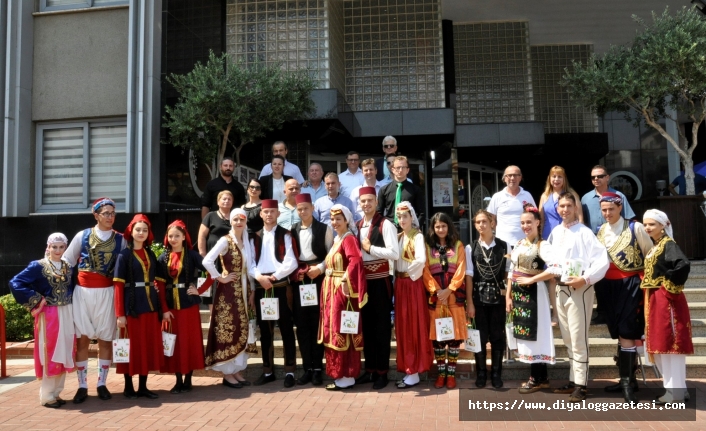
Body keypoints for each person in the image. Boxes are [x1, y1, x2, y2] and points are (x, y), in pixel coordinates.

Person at [63, 197, 126, 403]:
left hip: (107, 292)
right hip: (83, 292)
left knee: (105, 339)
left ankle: (101, 383)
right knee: (82, 339)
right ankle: (82, 385)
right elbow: (67, 262)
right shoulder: (82, 235)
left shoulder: (121, 239)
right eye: (106, 213)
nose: (110, 217)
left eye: (113, 213)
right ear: (96, 215)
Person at [548, 193, 609, 402]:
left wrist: (585, 279)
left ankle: (581, 384)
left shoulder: (585, 232)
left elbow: (602, 260)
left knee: (578, 337)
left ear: (575, 208)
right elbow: (552, 259)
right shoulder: (555, 232)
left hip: (579, 289)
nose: (564, 209)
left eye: (568, 206)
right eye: (561, 206)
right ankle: (574, 379)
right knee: (567, 337)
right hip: (561, 288)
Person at [594, 193, 652, 402]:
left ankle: (627, 382)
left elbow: (649, 254)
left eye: (611, 209)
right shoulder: (600, 230)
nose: (607, 213)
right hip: (606, 286)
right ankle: (627, 380)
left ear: (620, 208)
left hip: (630, 284)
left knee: (627, 329)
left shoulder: (635, 228)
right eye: (604, 210)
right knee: (618, 331)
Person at [9, 233, 76, 408]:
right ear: (48, 246)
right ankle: (46, 396)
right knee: (51, 352)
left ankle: (57, 392)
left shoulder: (68, 266)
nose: (58, 251)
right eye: (55, 247)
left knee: (65, 350)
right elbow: (15, 283)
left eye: (61, 247)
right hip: (50, 314)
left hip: (67, 312)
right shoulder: (38, 266)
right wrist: (38, 300)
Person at [113, 214, 171, 399]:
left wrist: (163, 308)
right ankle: (128, 386)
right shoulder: (124, 255)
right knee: (131, 346)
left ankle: (143, 387)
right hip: (132, 306)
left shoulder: (151, 254)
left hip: (150, 305)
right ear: (131, 231)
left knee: (146, 345)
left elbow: (160, 283)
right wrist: (120, 314)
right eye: (138, 229)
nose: (141, 233)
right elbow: (118, 285)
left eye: (145, 230)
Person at [641, 209, 694, 404]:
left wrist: (668, 289)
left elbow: (683, 265)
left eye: (652, 224)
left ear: (663, 225)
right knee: (661, 345)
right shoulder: (657, 246)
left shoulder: (668, 245)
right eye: (645, 224)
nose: (648, 227)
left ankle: (676, 392)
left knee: (670, 345)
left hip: (666, 301)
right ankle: (676, 389)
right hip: (655, 300)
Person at [506, 204, 559, 395]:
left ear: (538, 222)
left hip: (535, 293)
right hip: (519, 294)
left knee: (536, 335)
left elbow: (554, 268)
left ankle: (537, 377)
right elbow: (512, 271)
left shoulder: (542, 245)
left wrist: (532, 278)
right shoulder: (520, 244)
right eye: (522, 223)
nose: (525, 226)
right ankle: (540, 377)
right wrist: (508, 296)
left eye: (529, 222)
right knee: (525, 335)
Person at [156, 220, 214, 394]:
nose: (173, 239)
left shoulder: (192, 255)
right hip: (171, 308)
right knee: (173, 343)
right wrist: (164, 309)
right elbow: (159, 286)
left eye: (177, 236)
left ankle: (188, 378)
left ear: (184, 237)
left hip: (188, 306)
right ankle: (178, 380)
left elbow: (212, 272)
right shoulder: (162, 257)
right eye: (170, 236)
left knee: (189, 342)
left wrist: (200, 290)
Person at [203, 209, 258, 388]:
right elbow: (207, 261)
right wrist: (220, 277)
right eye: (235, 219)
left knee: (243, 327)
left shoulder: (247, 241)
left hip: (244, 289)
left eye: (242, 219)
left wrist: (252, 290)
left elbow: (250, 267)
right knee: (230, 327)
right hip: (228, 292)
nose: (239, 222)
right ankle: (227, 374)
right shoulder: (224, 240)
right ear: (231, 222)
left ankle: (236, 370)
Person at [247, 199, 299, 387]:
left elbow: (291, 261)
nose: (269, 215)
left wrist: (274, 277)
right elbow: (250, 263)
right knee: (266, 332)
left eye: (272, 211)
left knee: (286, 329)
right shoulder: (254, 237)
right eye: (266, 211)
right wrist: (260, 277)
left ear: (278, 214)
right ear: (261, 214)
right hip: (262, 287)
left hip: (280, 286)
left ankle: (290, 371)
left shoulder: (286, 234)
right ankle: (267, 370)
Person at [354, 187, 400, 389]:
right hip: (364, 281)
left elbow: (394, 253)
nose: (366, 204)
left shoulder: (386, 224)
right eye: (363, 201)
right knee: (367, 327)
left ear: (376, 202)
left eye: (370, 200)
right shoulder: (357, 225)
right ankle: (370, 370)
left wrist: (370, 249)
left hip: (381, 280)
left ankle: (382, 372)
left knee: (381, 327)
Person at [319, 204, 367, 390]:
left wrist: (346, 280)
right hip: (331, 290)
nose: (335, 222)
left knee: (342, 329)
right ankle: (338, 373)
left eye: (339, 219)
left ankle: (347, 374)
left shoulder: (349, 240)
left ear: (346, 220)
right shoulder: (337, 240)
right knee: (333, 329)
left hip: (342, 291)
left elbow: (355, 260)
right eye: (332, 219)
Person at [289, 193, 334, 386]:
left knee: (317, 323)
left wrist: (320, 269)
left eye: (306, 208)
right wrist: (297, 272)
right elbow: (291, 256)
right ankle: (307, 367)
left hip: (318, 278)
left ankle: (318, 368)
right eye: (299, 209)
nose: (303, 212)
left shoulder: (325, 229)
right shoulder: (293, 230)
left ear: (313, 208)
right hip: (300, 279)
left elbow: (331, 254)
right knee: (302, 325)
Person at [389, 203, 433, 389]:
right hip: (400, 284)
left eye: (405, 216)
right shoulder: (399, 236)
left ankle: (414, 370)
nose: (402, 220)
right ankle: (409, 368)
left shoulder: (417, 236)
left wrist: (410, 276)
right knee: (403, 326)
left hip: (411, 285)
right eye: (399, 217)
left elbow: (421, 260)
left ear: (412, 217)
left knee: (412, 325)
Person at [423, 212, 467, 390]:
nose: (440, 229)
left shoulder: (458, 246)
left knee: (454, 337)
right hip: (436, 298)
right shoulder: (427, 248)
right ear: (433, 229)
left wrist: (450, 289)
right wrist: (436, 290)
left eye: (443, 226)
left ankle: (451, 374)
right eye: (437, 226)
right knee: (439, 338)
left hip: (454, 297)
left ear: (449, 227)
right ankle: (441, 374)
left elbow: (461, 269)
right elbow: (425, 271)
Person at [465, 209, 509, 389]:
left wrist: (508, 298)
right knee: (479, 336)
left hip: (499, 296)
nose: (481, 225)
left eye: (484, 221)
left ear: (492, 223)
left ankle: (497, 372)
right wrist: (469, 302)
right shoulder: (471, 248)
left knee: (498, 336)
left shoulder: (505, 246)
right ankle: (481, 372)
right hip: (479, 296)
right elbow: (469, 276)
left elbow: (508, 275)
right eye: (478, 222)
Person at [198, 190, 234, 309]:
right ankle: (212, 316)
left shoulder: (235, 217)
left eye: (229, 199)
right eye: (224, 199)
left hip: (229, 258)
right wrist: (202, 253)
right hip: (213, 256)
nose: (226, 201)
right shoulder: (210, 216)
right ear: (218, 202)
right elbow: (202, 235)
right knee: (212, 284)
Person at [486, 165, 536, 248]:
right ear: (504, 178)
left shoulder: (527, 196)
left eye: (516, 175)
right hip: (502, 243)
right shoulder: (497, 196)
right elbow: (490, 219)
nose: (512, 178)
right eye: (509, 175)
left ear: (520, 178)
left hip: (524, 243)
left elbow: (535, 217)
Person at [581, 165, 635, 234]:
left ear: (607, 177)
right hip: (593, 239)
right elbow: (582, 221)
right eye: (593, 177)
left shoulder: (619, 196)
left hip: (616, 236)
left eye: (600, 176)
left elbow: (628, 219)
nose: (596, 178)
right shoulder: (585, 198)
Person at [377, 156, 424, 227]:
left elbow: (421, 213)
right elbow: (379, 212)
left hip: (409, 229)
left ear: (407, 170)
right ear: (392, 169)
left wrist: (415, 228)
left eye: (403, 167)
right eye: (398, 167)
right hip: (390, 228)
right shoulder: (384, 190)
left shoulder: (415, 190)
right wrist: (382, 228)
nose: (400, 170)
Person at [539, 166, 582, 240]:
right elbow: (541, 220)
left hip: (568, 234)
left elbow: (580, 218)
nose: (556, 179)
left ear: (564, 179)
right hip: (547, 235)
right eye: (554, 176)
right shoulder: (544, 196)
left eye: (559, 177)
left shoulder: (572, 194)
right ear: (549, 178)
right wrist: (539, 237)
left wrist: (580, 236)